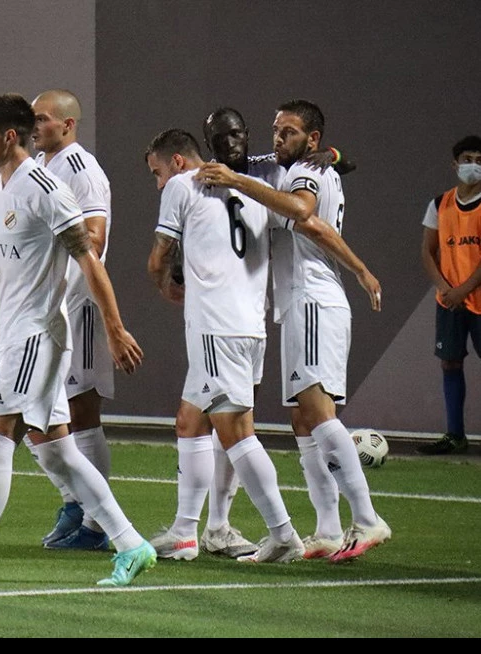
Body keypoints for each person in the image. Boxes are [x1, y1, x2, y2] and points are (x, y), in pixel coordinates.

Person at [0, 93, 155, 589]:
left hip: (37, 336)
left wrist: (114, 328)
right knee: (59, 451)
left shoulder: (46, 189)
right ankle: (132, 545)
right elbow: (3, 264)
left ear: (8, 137)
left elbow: (89, 259)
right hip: (14, 336)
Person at [195, 99, 390, 562]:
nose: (279, 138)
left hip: (312, 298)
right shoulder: (297, 165)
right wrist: (336, 155)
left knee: (318, 414)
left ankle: (366, 518)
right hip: (298, 302)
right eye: (277, 130)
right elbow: (325, 172)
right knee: (304, 419)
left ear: (312, 139)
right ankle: (327, 529)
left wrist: (362, 270)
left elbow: (306, 216)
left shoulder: (304, 172)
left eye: (290, 132)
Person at [145, 128, 304, 564]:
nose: (159, 183)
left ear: (178, 161)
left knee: (236, 432)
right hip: (250, 324)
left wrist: (165, 283)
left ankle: (284, 534)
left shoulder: (182, 185)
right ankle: (185, 532)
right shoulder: (252, 189)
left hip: (216, 327)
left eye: (157, 172)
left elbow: (159, 257)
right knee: (190, 421)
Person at [26, 89, 115, 551]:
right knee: (32, 409)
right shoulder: (39, 168)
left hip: (77, 303)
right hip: (46, 307)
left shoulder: (81, 169)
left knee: (80, 412)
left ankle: (96, 524)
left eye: (42, 118)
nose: (34, 126)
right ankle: (75, 501)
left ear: (67, 124)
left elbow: (94, 239)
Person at [417, 135, 481, 455]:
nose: (473, 166)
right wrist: (445, 289)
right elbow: (428, 252)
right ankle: (455, 435)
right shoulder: (440, 203)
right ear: (455, 164)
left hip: (476, 299)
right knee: (450, 363)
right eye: (468, 159)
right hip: (449, 302)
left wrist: (463, 290)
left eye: (479, 161)